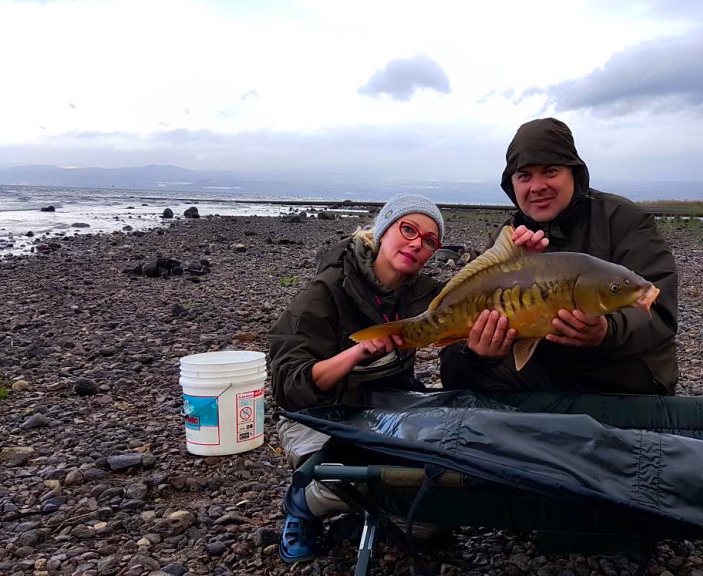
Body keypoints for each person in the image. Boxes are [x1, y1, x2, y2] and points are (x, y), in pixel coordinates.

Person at [439, 117, 679, 395]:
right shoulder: (509, 236)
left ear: (573, 174)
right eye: (524, 176)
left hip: (620, 375)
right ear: (512, 185)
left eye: (550, 171)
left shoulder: (626, 220)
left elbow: (659, 312)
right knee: (458, 362)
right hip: (546, 371)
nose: (537, 186)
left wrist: (606, 332)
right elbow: (477, 312)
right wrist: (481, 353)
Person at [267, 193, 446, 563]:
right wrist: (355, 353)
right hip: (319, 414)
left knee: (430, 523)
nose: (417, 243)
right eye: (408, 229)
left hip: (386, 411)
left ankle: (359, 510)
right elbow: (288, 386)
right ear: (383, 230)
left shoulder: (424, 296)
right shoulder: (323, 294)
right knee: (349, 479)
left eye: (429, 240)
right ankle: (301, 504)